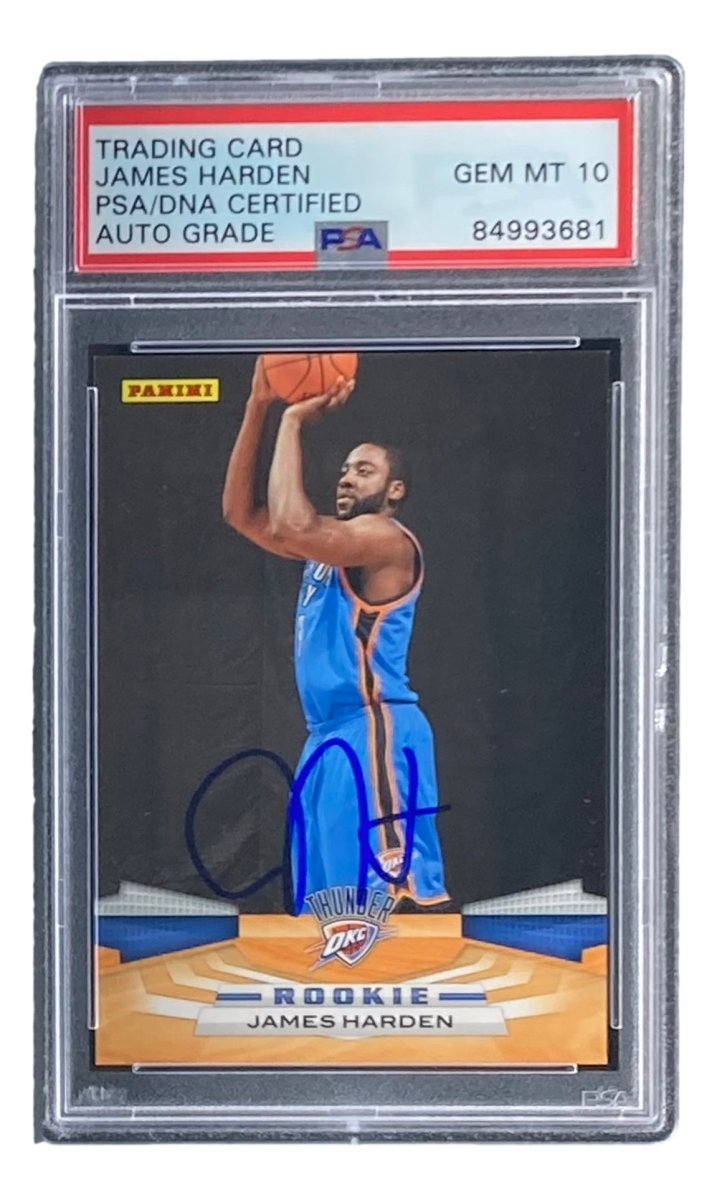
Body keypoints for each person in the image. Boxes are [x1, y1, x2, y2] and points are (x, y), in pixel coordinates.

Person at [223, 358, 449, 913]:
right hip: (325, 740)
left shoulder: (385, 539)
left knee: (390, 907)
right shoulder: (329, 547)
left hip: (375, 729)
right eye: (345, 469)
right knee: (329, 918)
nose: (346, 478)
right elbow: (240, 514)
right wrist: (257, 405)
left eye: (364, 471)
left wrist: (292, 421)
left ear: (395, 490)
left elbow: (291, 523)